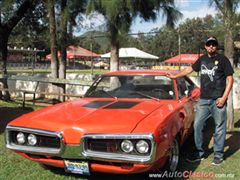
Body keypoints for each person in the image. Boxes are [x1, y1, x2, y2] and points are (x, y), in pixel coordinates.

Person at [167, 36, 234, 165]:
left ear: (217, 46)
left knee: (219, 128)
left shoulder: (223, 60)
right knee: (197, 126)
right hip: (203, 100)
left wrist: (224, 97)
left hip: (218, 100)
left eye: (214, 44)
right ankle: (199, 153)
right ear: (205, 46)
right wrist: (175, 76)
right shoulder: (202, 59)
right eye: (209, 44)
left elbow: (230, 80)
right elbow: (189, 69)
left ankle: (218, 155)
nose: (211, 46)